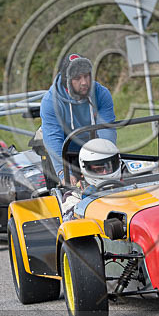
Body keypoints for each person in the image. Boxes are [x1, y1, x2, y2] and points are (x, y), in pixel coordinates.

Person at [40, 54, 116, 183]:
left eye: (87, 76)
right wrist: (64, 174)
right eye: (77, 78)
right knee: (66, 190)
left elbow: (106, 132)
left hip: (92, 145)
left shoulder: (101, 94)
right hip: (63, 150)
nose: (84, 82)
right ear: (67, 81)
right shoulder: (50, 101)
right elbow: (53, 139)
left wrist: (106, 161)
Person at [60, 138, 123, 219]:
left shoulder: (131, 185)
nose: (105, 173)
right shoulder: (73, 196)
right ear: (85, 169)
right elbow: (70, 222)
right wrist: (86, 203)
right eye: (99, 169)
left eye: (108, 167)